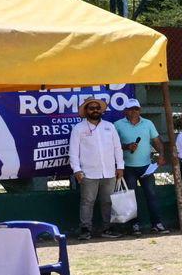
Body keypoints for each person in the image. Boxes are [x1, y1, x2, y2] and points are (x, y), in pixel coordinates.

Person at [68, 96, 125, 239]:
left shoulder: (109, 126)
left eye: (97, 108)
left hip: (109, 171)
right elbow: (73, 152)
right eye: (91, 108)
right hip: (88, 172)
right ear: (86, 110)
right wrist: (77, 170)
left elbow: (117, 148)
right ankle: (85, 230)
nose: (95, 110)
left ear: (101, 110)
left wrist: (120, 167)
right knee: (87, 202)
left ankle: (107, 229)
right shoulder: (78, 128)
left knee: (108, 201)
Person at [114, 100, 166, 234]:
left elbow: (156, 141)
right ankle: (134, 226)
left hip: (146, 167)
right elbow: (111, 146)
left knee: (152, 195)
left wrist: (161, 155)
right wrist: (126, 146)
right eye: (131, 109)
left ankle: (157, 224)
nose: (134, 112)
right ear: (125, 111)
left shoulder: (148, 123)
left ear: (140, 110)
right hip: (127, 167)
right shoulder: (118, 125)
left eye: (136, 109)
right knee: (131, 197)